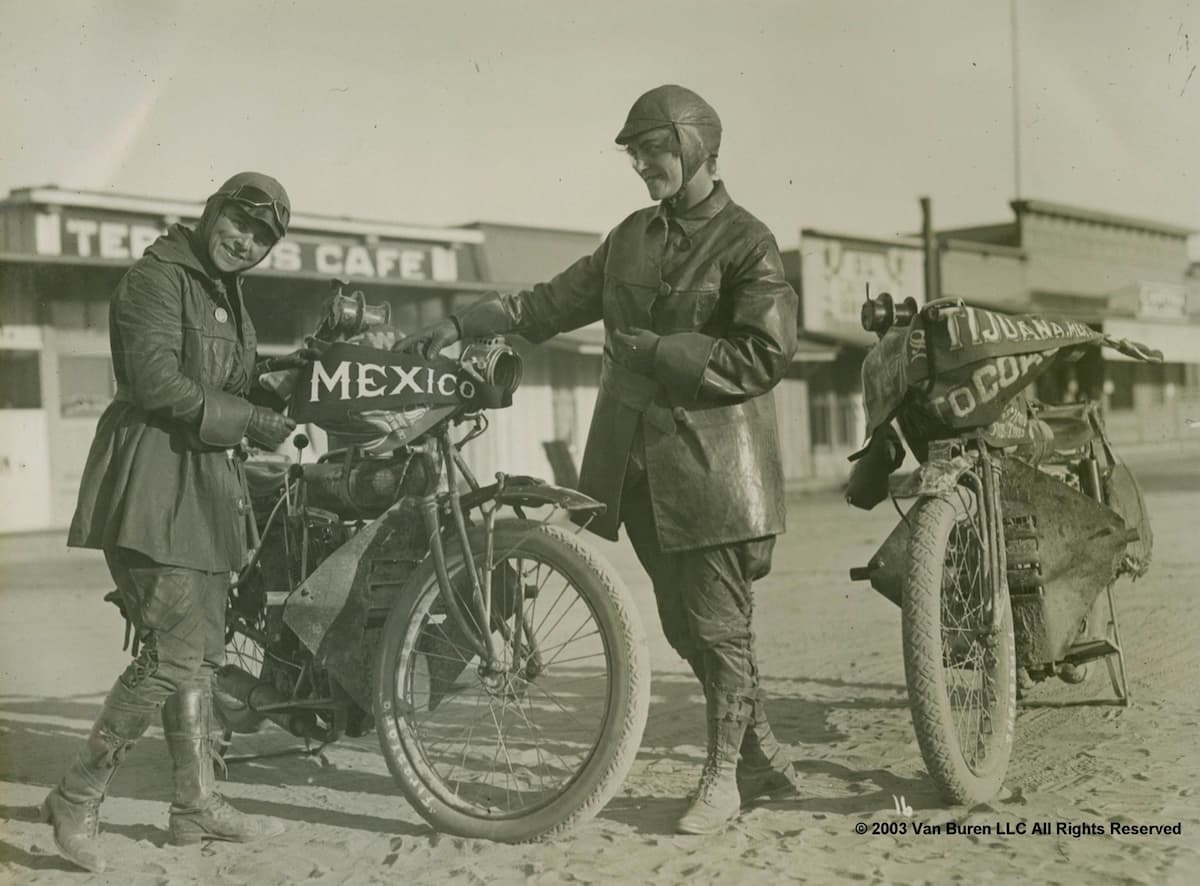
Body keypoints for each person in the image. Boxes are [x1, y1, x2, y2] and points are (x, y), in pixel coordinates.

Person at [395, 84, 801, 835]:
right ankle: (760, 752)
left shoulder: (748, 241)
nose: (643, 166)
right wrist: (456, 323)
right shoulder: (629, 238)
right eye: (636, 154)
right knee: (686, 625)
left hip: (713, 470)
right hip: (636, 467)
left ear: (694, 145)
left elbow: (768, 351)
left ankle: (724, 776)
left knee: (717, 624)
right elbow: (544, 306)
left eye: (653, 150)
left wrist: (667, 355)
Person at [45, 172, 313, 872]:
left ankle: (194, 805)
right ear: (213, 210)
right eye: (239, 223)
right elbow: (156, 381)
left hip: (202, 487)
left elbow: (228, 380)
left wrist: (305, 366)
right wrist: (253, 422)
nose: (245, 242)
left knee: (200, 654)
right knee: (171, 654)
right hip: (149, 482)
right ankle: (78, 794)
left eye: (261, 237)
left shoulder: (225, 292)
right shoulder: (156, 278)